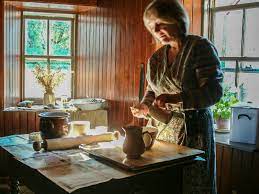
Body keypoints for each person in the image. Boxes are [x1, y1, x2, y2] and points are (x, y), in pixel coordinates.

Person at [131, 0, 223, 193]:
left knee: (192, 183)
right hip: (164, 132)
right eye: (151, 26)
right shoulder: (156, 58)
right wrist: (144, 106)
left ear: (176, 19)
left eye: (160, 23)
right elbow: (152, 90)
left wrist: (176, 99)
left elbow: (213, 92)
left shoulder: (200, 48)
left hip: (194, 131)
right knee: (166, 183)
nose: (156, 29)